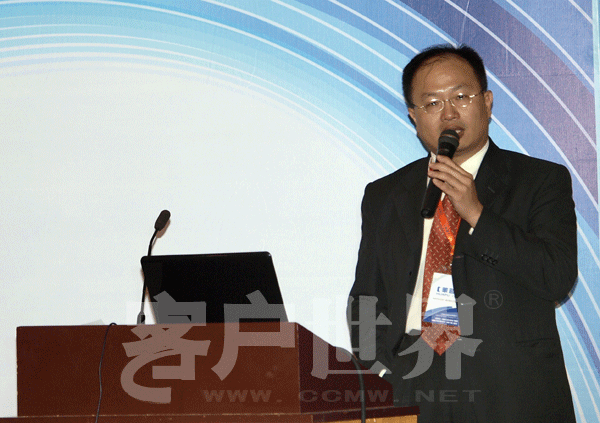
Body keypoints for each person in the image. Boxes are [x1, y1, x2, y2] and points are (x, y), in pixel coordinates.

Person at [347, 44, 577, 423]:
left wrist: (476, 212)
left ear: (487, 102)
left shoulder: (540, 180)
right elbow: (366, 296)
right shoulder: (385, 194)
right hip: (413, 380)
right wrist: (383, 371)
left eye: (461, 97)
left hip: (509, 387)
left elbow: (556, 278)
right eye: (432, 103)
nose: (449, 113)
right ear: (414, 116)